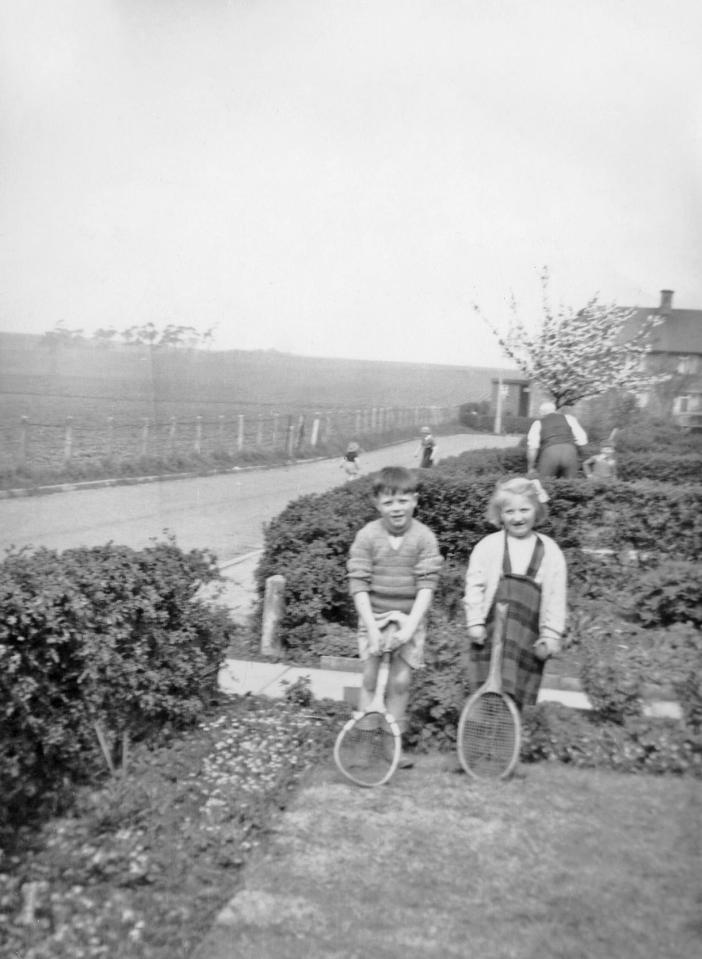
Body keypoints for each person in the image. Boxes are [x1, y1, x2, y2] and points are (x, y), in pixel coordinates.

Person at [347, 466, 443, 767]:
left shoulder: (424, 537)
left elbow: (427, 585)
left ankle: (391, 746)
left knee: (400, 682)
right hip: (373, 617)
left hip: (409, 618)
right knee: (370, 678)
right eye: (388, 502)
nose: (396, 508)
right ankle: (363, 747)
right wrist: (374, 631)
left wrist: (410, 626)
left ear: (415, 500)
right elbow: (359, 583)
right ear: (377, 504)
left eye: (403, 500)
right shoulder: (367, 536)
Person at [463, 476, 567, 712]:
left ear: (536, 510)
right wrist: (474, 622)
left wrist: (551, 634)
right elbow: (474, 586)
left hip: (526, 637)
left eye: (524, 509)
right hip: (490, 634)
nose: (517, 517)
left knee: (518, 696)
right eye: (510, 511)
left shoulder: (550, 551)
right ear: (500, 514)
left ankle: (510, 738)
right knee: (484, 694)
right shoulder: (488, 546)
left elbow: (556, 597)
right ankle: (483, 739)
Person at [526, 400, 587, 479]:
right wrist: (580, 458)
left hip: (549, 453)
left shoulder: (538, 423)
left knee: (545, 485)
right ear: (555, 410)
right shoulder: (569, 418)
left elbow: (532, 448)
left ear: (541, 412)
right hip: (570, 452)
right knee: (571, 485)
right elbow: (582, 440)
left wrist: (530, 467)